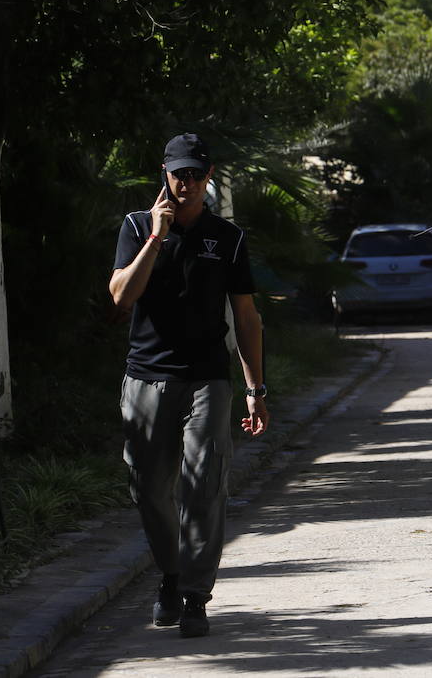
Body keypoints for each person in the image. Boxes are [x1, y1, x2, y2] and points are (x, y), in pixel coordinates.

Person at [109, 132, 268, 638]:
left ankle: (195, 595)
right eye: (180, 173)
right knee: (148, 488)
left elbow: (246, 318)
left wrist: (255, 389)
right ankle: (171, 575)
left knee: (206, 484)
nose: (187, 183)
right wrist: (157, 238)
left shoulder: (228, 238)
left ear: (209, 176)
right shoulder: (137, 226)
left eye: (197, 174)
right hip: (147, 378)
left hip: (207, 379)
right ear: (165, 172)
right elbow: (121, 298)